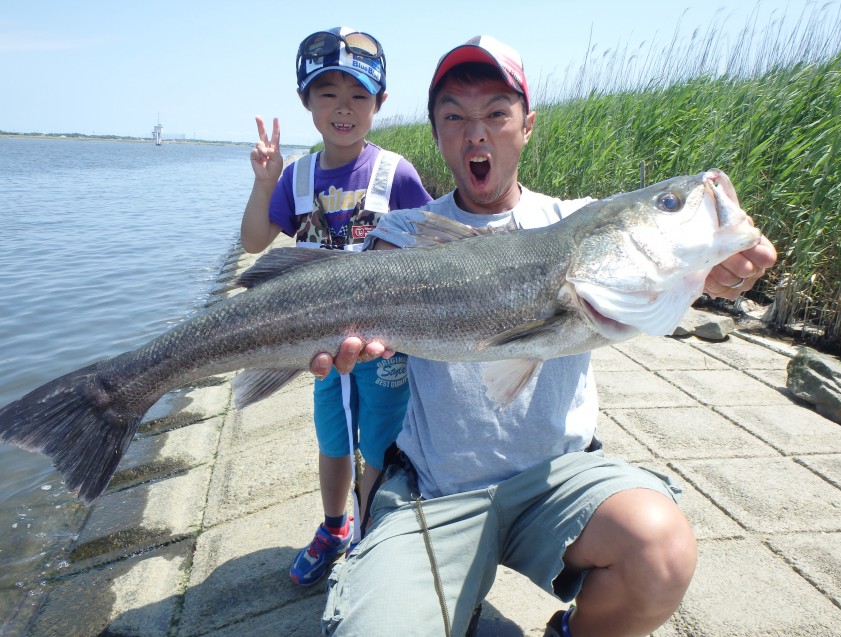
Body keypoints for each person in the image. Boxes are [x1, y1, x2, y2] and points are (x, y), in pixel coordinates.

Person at [311, 36, 778, 636]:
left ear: (527, 126)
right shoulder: (402, 235)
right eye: (454, 116)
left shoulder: (573, 219)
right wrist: (342, 341)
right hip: (436, 488)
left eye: (496, 114)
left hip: (557, 481)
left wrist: (715, 267)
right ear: (435, 133)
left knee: (659, 550)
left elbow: (666, 270)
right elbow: (361, 292)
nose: (476, 133)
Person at [240, 26, 432, 587]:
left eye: (358, 96)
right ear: (306, 101)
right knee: (332, 441)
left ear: (380, 104)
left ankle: (374, 535)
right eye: (328, 94)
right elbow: (255, 241)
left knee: (379, 444)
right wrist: (264, 181)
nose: (343, 108)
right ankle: (335, 528)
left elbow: (431, 245)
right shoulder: (296, 175)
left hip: (385, 348)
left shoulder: (395, 172)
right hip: (320, 348)